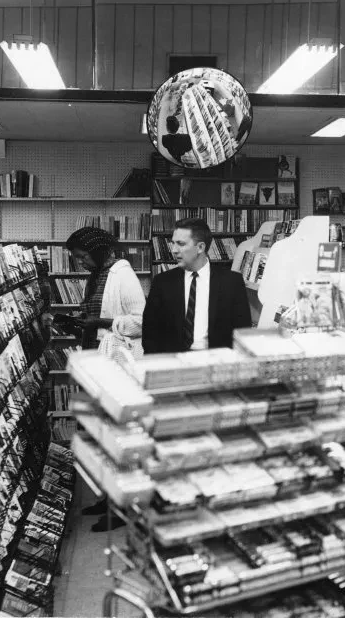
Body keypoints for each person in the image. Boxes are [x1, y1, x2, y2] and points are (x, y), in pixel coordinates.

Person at [65, 226, 146, 532]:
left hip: (117, 367)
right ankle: (108, 496)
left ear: (98, 251)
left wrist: (100, 322)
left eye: (83, 256)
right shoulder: (98, 275)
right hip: (98, 365)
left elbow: (141, 322)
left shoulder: (122, 275)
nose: (80, 262)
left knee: (118, 438)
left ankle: (122, 507)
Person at [142, 218, 251, 353]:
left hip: (216, 362)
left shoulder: (232, 282)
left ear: (200, 247)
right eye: (173, 243)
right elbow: (150, 335)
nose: (174, 250)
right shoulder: (162, 282)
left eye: (181, 244)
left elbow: (243, 333)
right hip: (174, 362)